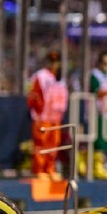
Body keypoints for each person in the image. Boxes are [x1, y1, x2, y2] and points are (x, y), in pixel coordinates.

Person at [27, 50, 68, 180]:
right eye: (51, 61)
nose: (54, 64)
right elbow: (33, 96)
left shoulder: (60, 79)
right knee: (41, 143)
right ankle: (39, 170)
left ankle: (50, 168)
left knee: (54, 144)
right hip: (43, 117)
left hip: (55, 118)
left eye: (56, 61)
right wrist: (37, 113)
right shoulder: (40, 76)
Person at [82, 50, 107, 180]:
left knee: (106, 139)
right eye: (104, 62)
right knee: (98, 140)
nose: (106, 66)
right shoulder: (94, 75)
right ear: (98, 62)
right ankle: (94, 165)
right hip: (97, 113)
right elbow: (96, 91)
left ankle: (101, 163)